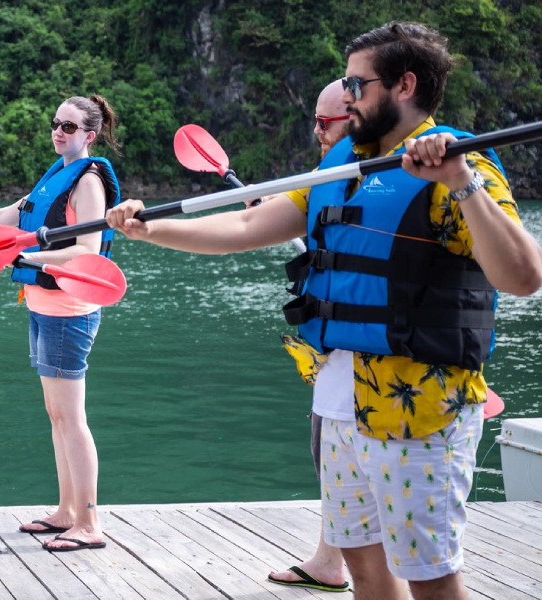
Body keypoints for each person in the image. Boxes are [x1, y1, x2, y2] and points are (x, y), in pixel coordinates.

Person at [107, 22, 542, 600]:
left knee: (431, 580)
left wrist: (458, 179)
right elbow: (243, 225)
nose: (347, 96)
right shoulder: (341, 165)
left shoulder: (465, 168)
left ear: (404, 85)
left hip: (419, 410)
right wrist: (149, 228)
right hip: (339, 403)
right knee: (364, 569)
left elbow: (523, 277)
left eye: (356, 85)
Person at [0, 95, 122, 552]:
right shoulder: (56, 174)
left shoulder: (88, 181)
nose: (58, 132)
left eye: (69, 127)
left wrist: (27, 255)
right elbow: (6, 216)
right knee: (56, 415)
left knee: (71, 417)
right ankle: (66, 511)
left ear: (89, 136)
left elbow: (88, 250)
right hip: (42, 306)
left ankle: (89, 524)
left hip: (68, 312)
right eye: (55, 124)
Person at [259, 80, 353, 593]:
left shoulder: (403, 170)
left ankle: (331, 561)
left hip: (386, 364)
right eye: (314, 121)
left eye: (327, 121)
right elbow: (258, 223)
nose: (317, 131)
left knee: (337, 455)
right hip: (334, 351)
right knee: (327, 452)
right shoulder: (326, 177)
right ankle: (329, 561)